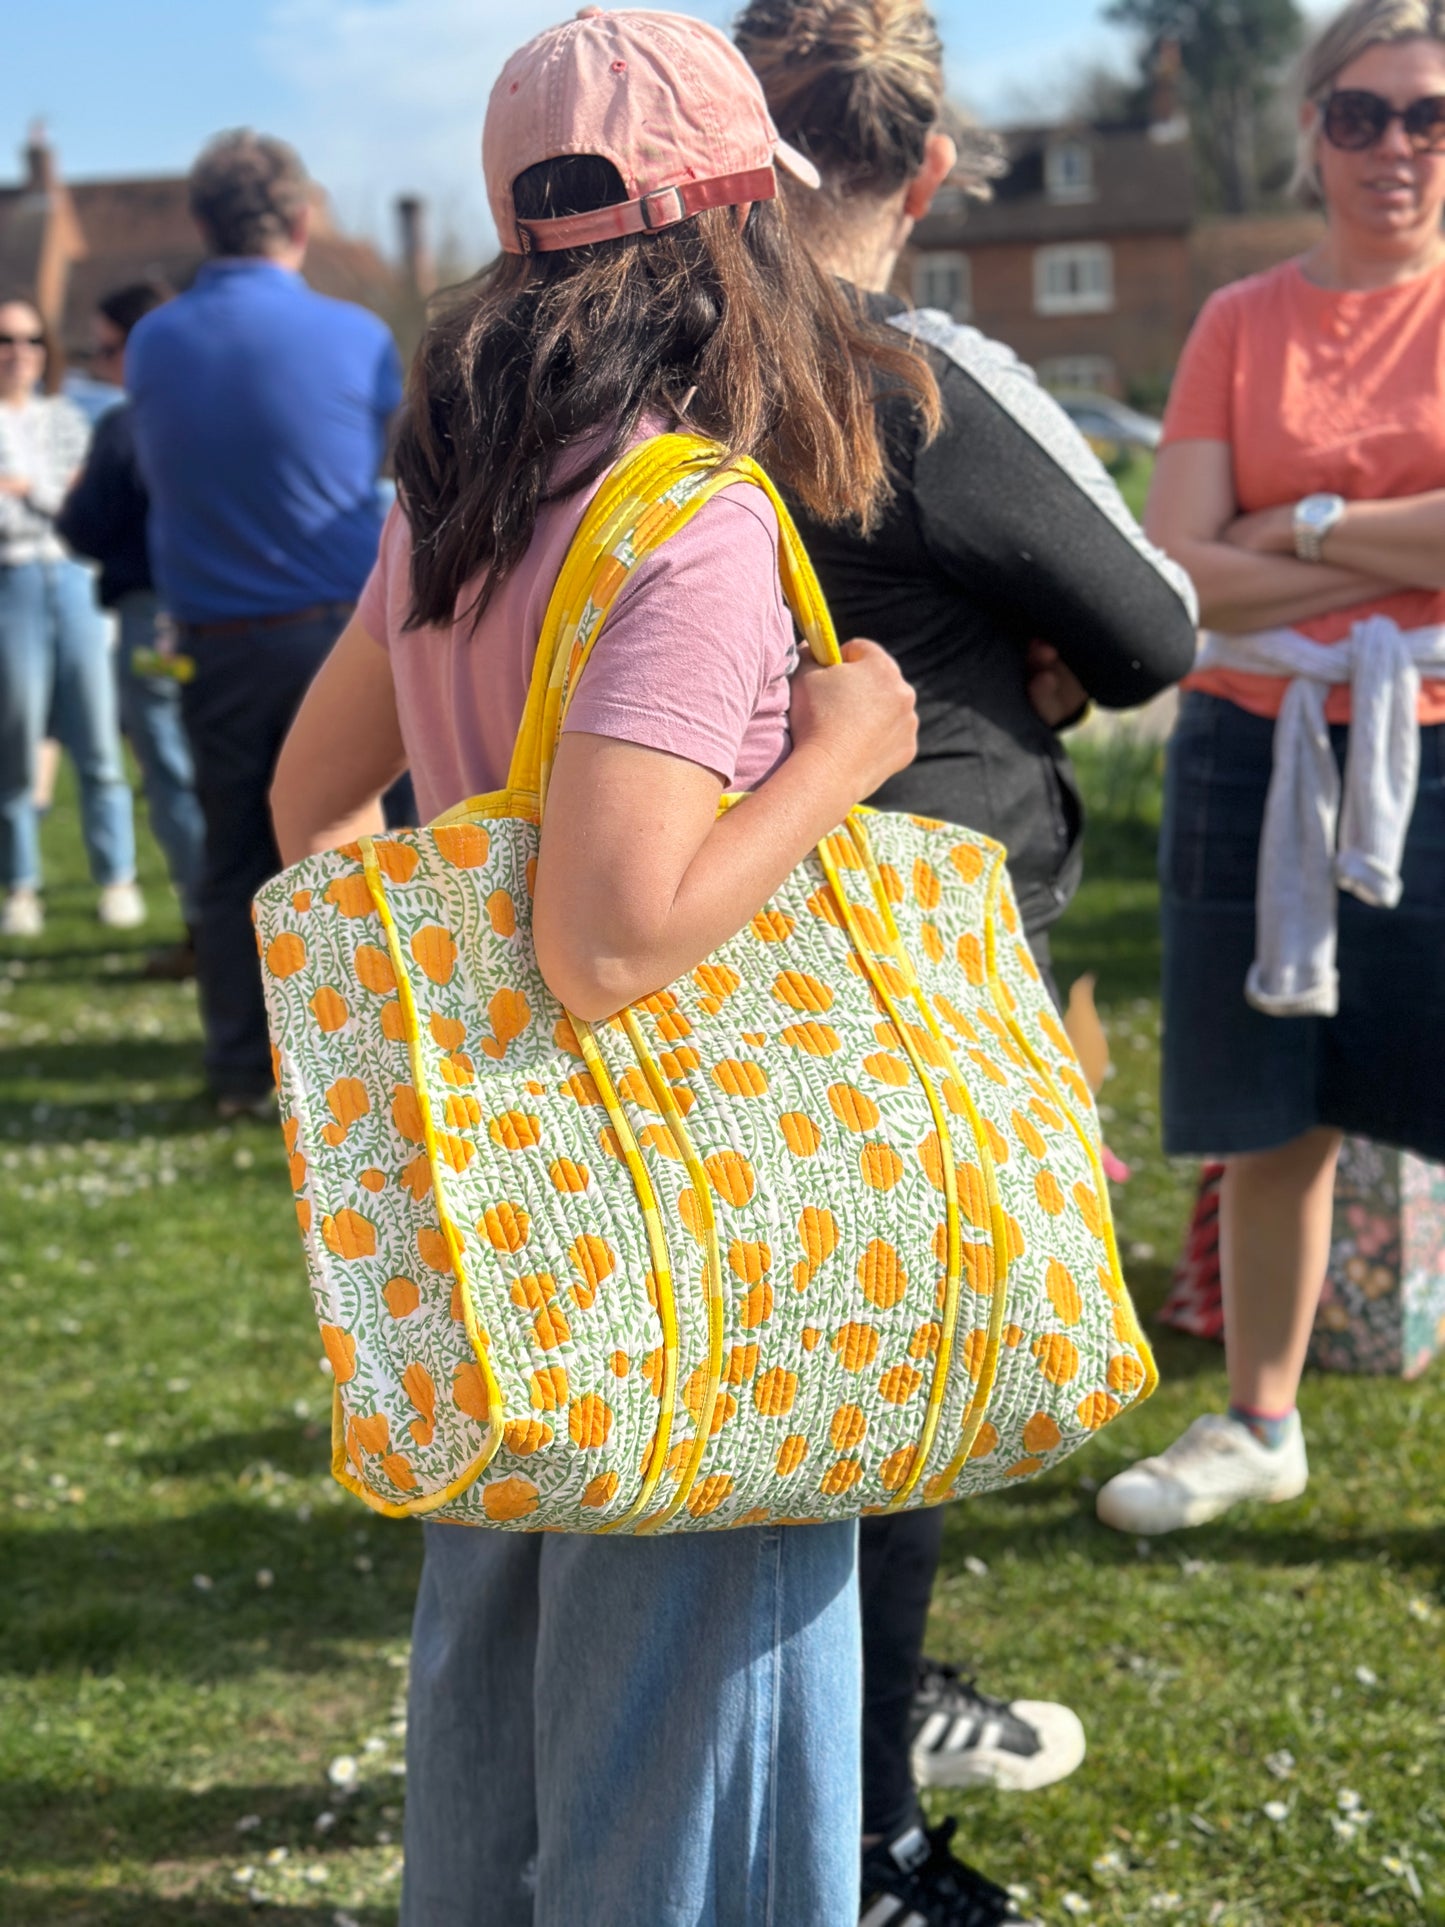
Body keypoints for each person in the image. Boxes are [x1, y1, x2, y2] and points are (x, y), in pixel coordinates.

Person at [270, 12, 939, 1922]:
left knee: (499, 1738)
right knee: (689, 1782)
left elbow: (319, 801)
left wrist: (434, 1047)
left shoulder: (466, 501)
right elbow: (616, 928)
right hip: (695, 1241)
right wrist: (844, 751)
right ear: (733, 221)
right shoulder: (689, 515)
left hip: (523, 1225)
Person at [733, 3, 1201, 1920]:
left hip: (708, 915)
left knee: (778, 1378)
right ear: (926, 175)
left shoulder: (642, 369)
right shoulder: (902, 375)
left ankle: (806, 1772)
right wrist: (1035, 643)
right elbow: (1155, 620)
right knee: (890, 1385)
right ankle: (863, 1837)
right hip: (915, 933)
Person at [1095, 0, 1445, 1537]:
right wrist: (1388, 546)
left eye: (1428, 116)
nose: (1394, 147)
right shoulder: (1239, 319)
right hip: (1252, 739)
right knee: (1272, 1103)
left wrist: (1284, 527)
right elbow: (1177, 578)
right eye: (1360, 115)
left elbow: (1229, 548)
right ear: (1311, 130)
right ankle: (1259, 1417)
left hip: (1432, 737)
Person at [126, 131, 406, 1114]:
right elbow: (391, 471)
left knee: (236, 857)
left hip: (220, 643)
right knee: (363, 858)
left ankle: (244, 1068)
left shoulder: (153, 341)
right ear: (299, 220)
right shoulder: (358, 335)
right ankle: (377, 1059)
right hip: (345, 634)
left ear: (200, 224)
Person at [57, 282, 206, 979]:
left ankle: (208, 929)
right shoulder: (226, 409)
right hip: (240, 623)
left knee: (173, 773)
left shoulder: (128, 424)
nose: (100, 364)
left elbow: (83, 526)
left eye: (107, 349)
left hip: (156, 624)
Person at [0, 293, 143, 938]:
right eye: (6, 341)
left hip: (77, 583)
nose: (18, 354)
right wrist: (45, 498)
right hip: (13, 582)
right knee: (16, 739)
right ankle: (20, 886)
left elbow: (83, 504)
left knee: (97, 740)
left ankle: (117, 879)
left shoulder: (70, 417)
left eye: (30, 341)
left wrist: (31, 490)